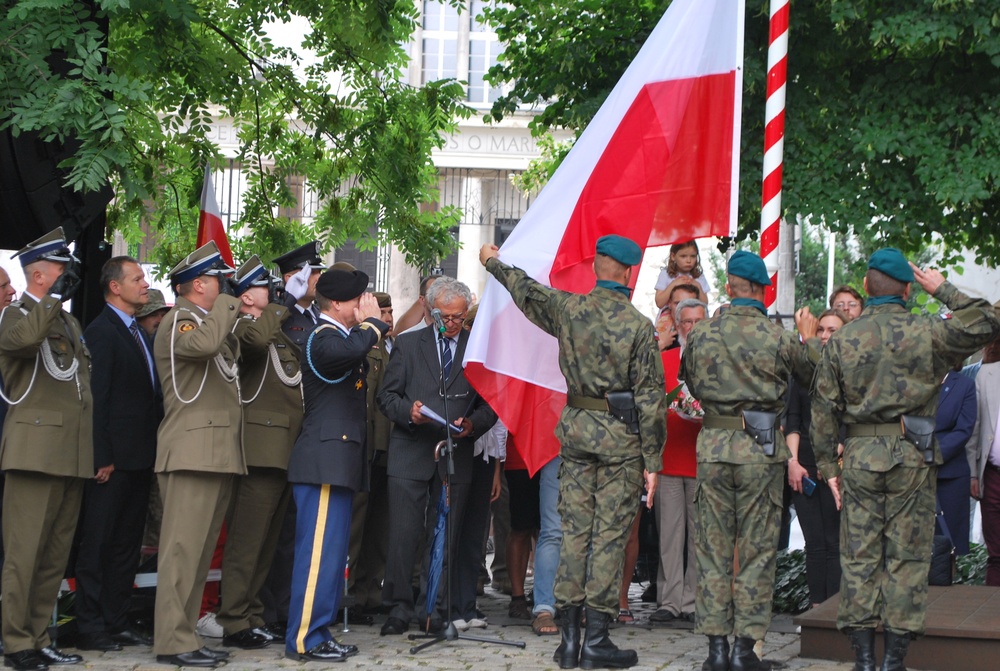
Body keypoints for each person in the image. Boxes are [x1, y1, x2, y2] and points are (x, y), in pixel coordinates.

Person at [480, 236, 667, 669]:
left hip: (577, 437)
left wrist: (493, 261)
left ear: (598, 268)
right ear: (627, 272)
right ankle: (597, 638)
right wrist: (653, 463)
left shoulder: (569, 310)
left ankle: (567, 640)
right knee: (607, 537)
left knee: (572, 533)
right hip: (621, 444)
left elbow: (525, 290)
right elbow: (651, 401)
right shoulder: (639, 327)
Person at [812, 249, 1000, 671]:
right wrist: (944, 289)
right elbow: (990, 321)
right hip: (912, 457)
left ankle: (862, 658)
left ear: (865, 286)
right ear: (910, 288)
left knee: (860, 557)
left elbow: (822, 409)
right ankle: (894, 659)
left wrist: (828, 468)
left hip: (859, 458)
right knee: (907, 558)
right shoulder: (929, 331)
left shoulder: (843, 338)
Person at [679, 250, 819, 671]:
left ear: (729, 287)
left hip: (715, 448)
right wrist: (809, 341)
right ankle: (745, 651)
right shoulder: (778, 337)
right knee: (757, 552)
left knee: (713, 551)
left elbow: (690, 377)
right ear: (763, 289)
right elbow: (813, 379)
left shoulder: (703, 332)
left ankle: (716, 652)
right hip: (760, 450)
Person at [376, 276, 497, 636]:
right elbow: (386, 397)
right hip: (410, 451)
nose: (451, 325)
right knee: (403, 534)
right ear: (430, 310)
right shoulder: (409, 344)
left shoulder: (477, 348)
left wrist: (472, 424)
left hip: (453, 455)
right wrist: (407, 412)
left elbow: (491, 405)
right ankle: (397, 607)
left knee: (444, 535)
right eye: (444, 317)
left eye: (458, 318)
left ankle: (435, 609)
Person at [283, 268, 389, 662]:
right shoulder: (321, 338)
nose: (367, 304)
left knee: (331, 555)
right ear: (341, 304)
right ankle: (304, 639)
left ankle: (319, 630)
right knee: (317, 556)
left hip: (338, 460)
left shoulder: (343, 336)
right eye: (360, 298)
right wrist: (374, 324)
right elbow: (345, 355)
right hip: (323, 461)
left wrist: (369, 327)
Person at [0, 228, 92, 671]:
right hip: (33, 450)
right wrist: (48, 299)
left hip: (69, 453)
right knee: (24, 554)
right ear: (38, 273)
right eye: (58, 266)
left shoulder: (66, 320)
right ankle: (15, 641)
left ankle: (39, 636)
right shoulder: (13, 315)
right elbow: (21, 343)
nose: (66, 272)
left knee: (53, 556)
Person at [152, 241, 245, 668]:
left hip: (214, 452)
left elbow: (227, 355)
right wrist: (231, 301)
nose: (225, 287)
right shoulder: (179, 322)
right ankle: (172, 641)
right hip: (190, 452)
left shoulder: (207, 322)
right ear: (199, 285)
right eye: (219, 280)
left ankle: (185, 634)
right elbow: (207, 347)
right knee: (181, 553)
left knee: (199, 555)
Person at [215, 256, 306, 649]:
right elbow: (252, 345)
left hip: (284, 447)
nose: (270, 293)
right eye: (264, 287)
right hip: (259, 447)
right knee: (247, 541)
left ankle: (251, 613)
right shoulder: (240, 325)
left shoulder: (273, 327)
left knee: (266, 542)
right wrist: (282, 301)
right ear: (247, 294)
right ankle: (234, 619)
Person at [74, 257, 162, 652]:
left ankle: (116, 619)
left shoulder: (138, 332)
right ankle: (90, 626)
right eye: (137, 278)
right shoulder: (102, 330)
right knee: (98, 544)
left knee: (127, 546)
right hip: (111, 461)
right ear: (114, 287)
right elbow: (97, 399)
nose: (145, 284)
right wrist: (100, 455)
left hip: (140, 456)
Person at [258, 241, 327, 631]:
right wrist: (285, 300)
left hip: (309, 434)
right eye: (311, 273)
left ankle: (289, 607)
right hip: (283, 435)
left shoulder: (315, 317)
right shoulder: (282, 317)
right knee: (276, 531)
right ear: (292, 278)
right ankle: (270, 610)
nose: (317, 279)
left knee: (297, 529)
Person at [649, 298, 707, 625]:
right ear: (677, 325)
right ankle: (669, 599)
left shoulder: (716, 361)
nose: (693, 328)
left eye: (700, 321)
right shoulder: (664, 361)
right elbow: (652, 406)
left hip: (703, 462)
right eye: (687, 322)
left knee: (700, 535)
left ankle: (693, 600)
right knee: (669, 536)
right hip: (669, 460)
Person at [785, 309, 847, 608]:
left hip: (839, 464)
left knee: (835, 543)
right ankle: (816, 608)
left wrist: (836, 451)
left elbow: (852, 416)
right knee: (814, 544)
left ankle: (833, 611)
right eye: (820, 329)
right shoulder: (801, 372)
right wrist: (792, 462)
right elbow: (793, 418)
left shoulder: (850, 368)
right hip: (806, 466)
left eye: (832, 330)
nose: (824, 335)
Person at [346, 291, 395, 616]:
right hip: (365, 446)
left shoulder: (392, 347)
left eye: (391, 312)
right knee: (355, 525)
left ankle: (370, 590)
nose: (389, 318)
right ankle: (346, 594)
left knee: (379, 526)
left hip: (387, 448)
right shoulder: (362, 343)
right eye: (383, 312)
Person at [967, 330, 1000, 584]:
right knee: (996, 554)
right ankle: (990, 616)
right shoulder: (986, 375)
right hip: (992, 476)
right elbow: (974, 431)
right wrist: (972, 474)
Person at [934, 366, 977, 556]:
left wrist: (931, 455)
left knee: (950, 545)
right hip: (911, 471)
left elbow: (964, 429)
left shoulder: (965, 385)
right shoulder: (912, 381)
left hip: (949, 474)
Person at [654, 241, 710, 309]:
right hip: (669, 314)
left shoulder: (698, 276)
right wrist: (673, 284)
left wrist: (698, 286)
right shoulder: (666, 274)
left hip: (692, 314)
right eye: (683, 256)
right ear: (673, 256)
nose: (689, 260)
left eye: (693, 256)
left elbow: (704, 304)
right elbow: (659, 303)